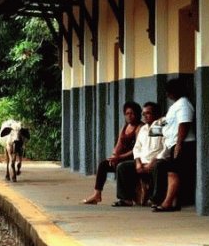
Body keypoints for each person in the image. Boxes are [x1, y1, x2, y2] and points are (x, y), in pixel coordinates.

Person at [82, 101, 143, 205]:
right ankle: (97, 194)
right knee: (103, 164)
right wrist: (113, 157)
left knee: (121, 166)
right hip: (121, 157)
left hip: (135, 158)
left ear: (137, 114)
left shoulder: (140, 127)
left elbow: (136, 150)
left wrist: (119, 157)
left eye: (132, 113)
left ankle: (125, 199)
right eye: (127, 113)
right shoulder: (125, 127)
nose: (129, 116)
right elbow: (118, 144)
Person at [112, 102, 168, 207]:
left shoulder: (162, 125)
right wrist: (138, 162)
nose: (145, 116)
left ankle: (156, 200)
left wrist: (152, 162)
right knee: (122, 167)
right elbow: (137, 148)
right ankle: (126, 199)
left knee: (159, 166)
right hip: (141, 163)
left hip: (155, 161)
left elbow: (166, 147)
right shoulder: (144, 128)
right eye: (143, 114)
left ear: (156, 114)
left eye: (148, 113)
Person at [152, 78, 196, 212]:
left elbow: (184, 123)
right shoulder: (176, 105)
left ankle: (167, 202)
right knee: (173, 173)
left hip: (183, 144)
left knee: (173, 173)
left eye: (169, 92)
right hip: (174, 144)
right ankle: (174, 202)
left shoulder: (183, 104)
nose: (167, 95)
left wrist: (179, 144)